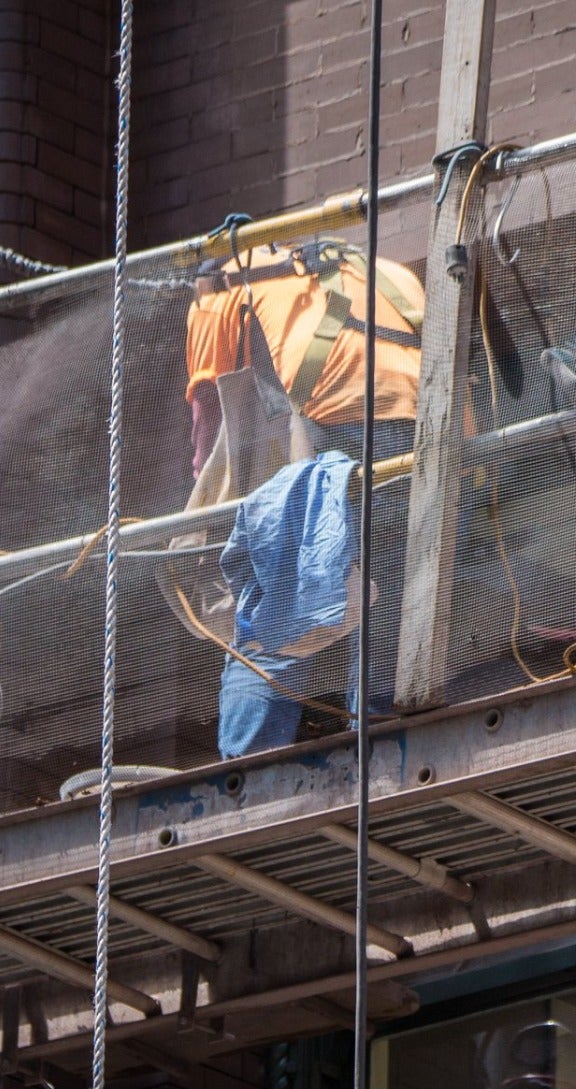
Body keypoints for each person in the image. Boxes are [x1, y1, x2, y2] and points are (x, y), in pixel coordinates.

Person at [181, 239, 425, 759]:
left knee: (279, 602)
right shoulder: (376, 269)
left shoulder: (222, 288)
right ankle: (379, 736)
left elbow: (209, 427)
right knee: (385, 595)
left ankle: (248, 761)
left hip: (334, 422)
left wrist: (214, 519)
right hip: (422, 431)